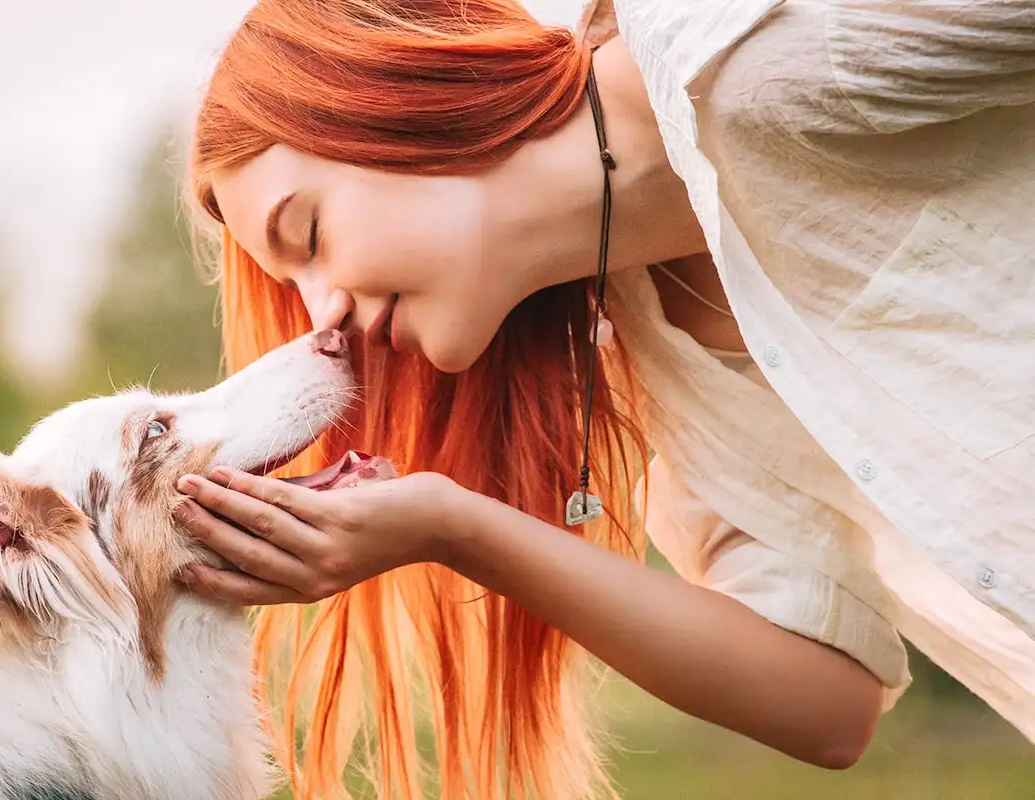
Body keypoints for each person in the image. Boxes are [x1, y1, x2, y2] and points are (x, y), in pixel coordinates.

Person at [169, 0, 1035, 796]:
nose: (326, 313)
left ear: (404, 98)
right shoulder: (657, 356)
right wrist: (451, 526)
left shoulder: (762, 58)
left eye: (309, 234)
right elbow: (827, 700)